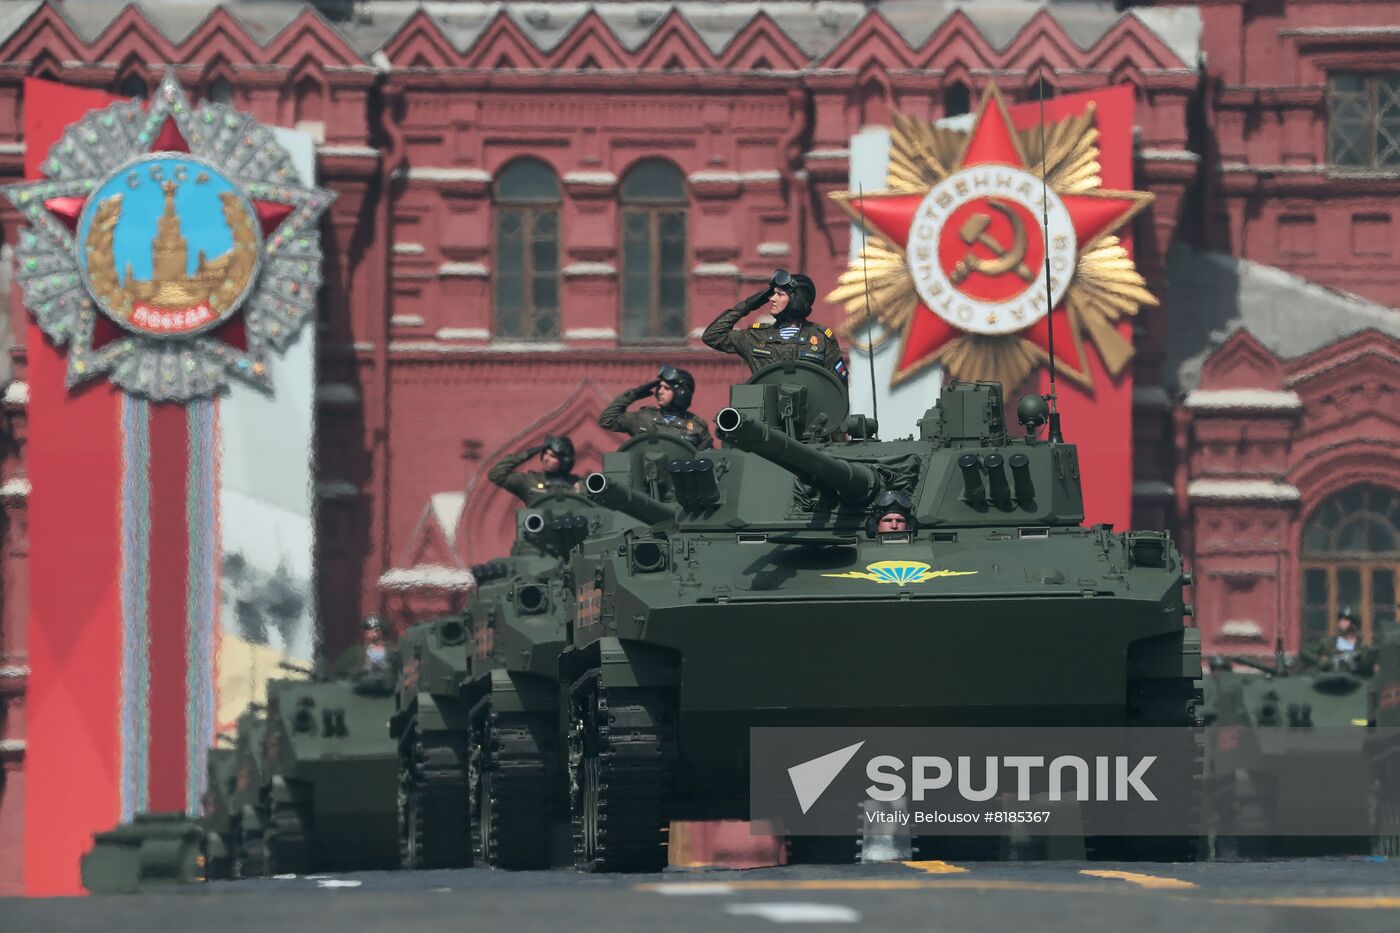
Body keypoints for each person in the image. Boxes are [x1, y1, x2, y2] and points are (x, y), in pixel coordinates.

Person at [702, 269, 848, 385]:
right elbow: (712, 336)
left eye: (779, 294)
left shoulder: (820, 338)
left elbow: (838, 386)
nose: (771, 298)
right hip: (765, 418)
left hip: (811, 417)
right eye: (772, 294)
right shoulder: (757, 336)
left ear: (796, 300)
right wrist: (748, 305)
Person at [598, 365, 712, 449]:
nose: (660, 392)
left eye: (666, 388)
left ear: (681, 394)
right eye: (659, 387)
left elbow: (709, 459)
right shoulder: (644, 418)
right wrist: (633, 395)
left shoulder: (697, 426)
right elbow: (607, 420)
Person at [487, 435, 580, 505]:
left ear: (564, 462)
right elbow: (496, 474)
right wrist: (528, 453)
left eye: (552, 456)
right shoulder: (530, 481)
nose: (545, 459)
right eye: (545, 453)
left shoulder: (577, 483)